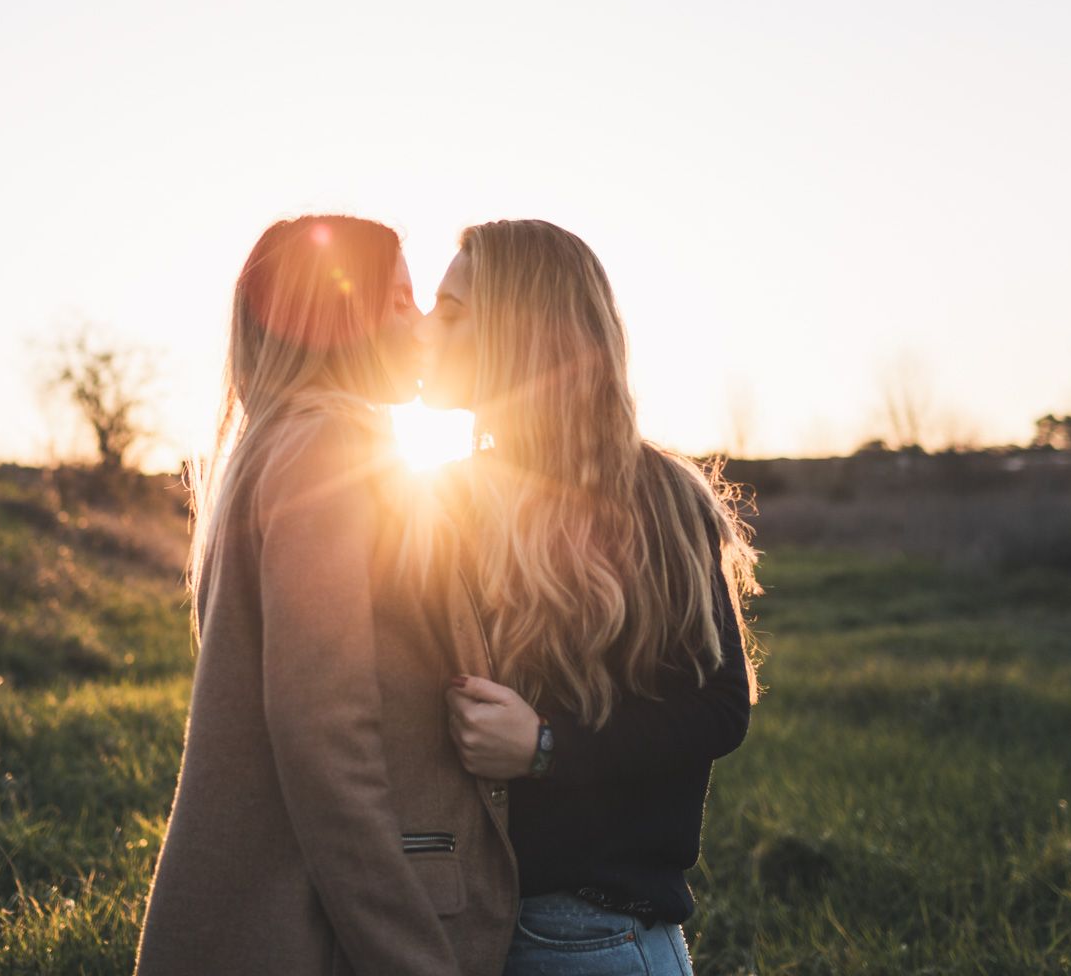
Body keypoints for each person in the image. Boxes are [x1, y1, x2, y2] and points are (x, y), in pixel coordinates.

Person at [134, 214, 517, 976]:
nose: (421, 329)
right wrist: (407, 954)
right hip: (329, 928)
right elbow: (323, 732)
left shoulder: (268, 447)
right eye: (400, 301)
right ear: (337, 315)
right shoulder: (327, 450)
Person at [418, 218, 763, 976]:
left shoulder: (660, 497)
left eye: (450, 311)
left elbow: (719, 707)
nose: (421, 328)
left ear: (516, 333)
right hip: (471, 924)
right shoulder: (438, 500)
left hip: (589, 935)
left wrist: (546, 747)